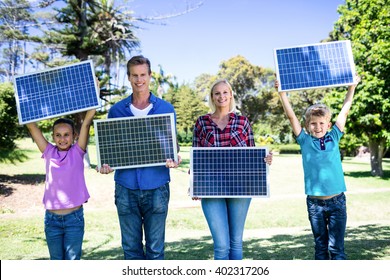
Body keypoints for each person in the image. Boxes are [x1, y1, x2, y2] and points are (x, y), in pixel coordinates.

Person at [97, 55, 181, 260]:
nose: (139, 79)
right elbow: (112, 149)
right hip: (126, 188)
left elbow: (173, 146)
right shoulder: (116, 111)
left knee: (155, 251)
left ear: (150, 76)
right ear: (128, 77)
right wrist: (107, 165)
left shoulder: (166, 109)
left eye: (143, 74)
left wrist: (175, 159)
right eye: (134, 75)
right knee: (131, 250)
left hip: (157, 187)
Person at [275, 75, 360, 260]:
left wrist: (351, 88)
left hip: (337, 202)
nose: (318, 126)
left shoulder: (334, 136)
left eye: (322, 123)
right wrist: (282, 94)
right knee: (321, 248)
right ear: (307, 126)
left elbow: (344, 112)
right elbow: (291, 117)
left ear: (328, 125)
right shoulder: (304, 140)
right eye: (313, 123)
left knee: (337, 249)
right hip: (315, 204)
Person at [192, 79, 273, 260]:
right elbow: (196, 157)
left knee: (236, 242)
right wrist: (195, 184)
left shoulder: (242, 122)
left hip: (241, 187)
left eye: (225, 92)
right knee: (221, 245)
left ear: (231, 95)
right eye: (217, 93)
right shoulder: (202, 123)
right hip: (211, 189)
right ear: (212, 97)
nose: (222, 96)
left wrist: (266, 159)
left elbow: (253, 154)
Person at [26, 109, 96, 260]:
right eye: (58, 135)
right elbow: (32, 127)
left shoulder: (77, 152)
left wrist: (94, 95)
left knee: (72, 261)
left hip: (74, 220)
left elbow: (86, 124)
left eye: (66, 135)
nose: (62, 139)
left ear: (74, 136)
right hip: (52, 220)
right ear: (52, 137)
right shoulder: (48, 151)